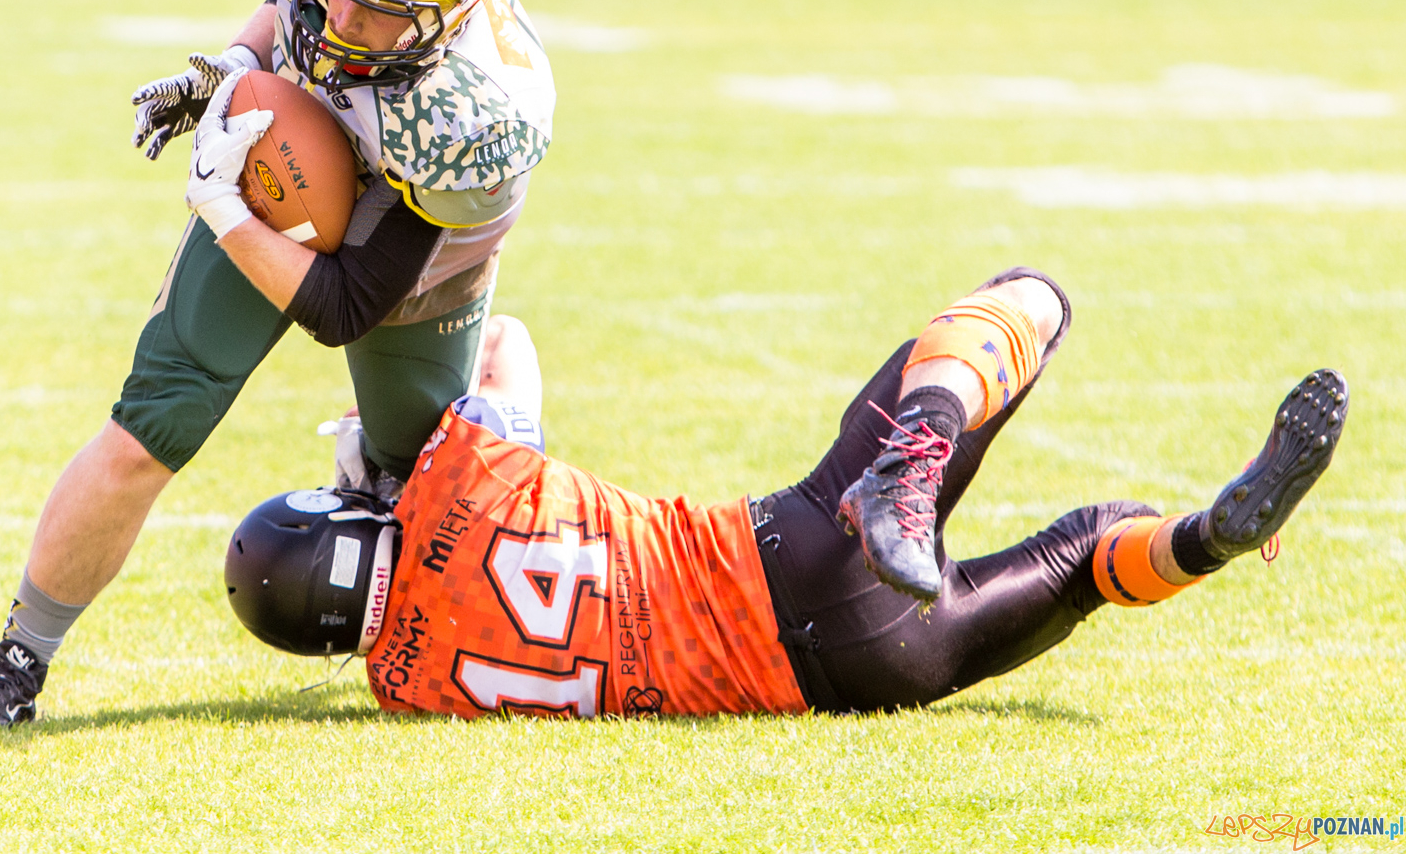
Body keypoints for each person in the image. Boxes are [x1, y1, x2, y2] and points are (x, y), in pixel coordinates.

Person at [0, 0, 556, 726]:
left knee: (423, 484)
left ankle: (493, 397)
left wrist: (224, 207)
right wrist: (229, 68)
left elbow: (345, 304)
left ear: (440, 21)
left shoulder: (476, 118)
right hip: (290, 155)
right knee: (148, 426)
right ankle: (15, 661)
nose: (337, 14)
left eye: (372, 12)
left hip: (421, 233)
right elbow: (289, 6)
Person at [224, 270, 1348, 716]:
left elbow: (406, 598)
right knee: (1029, 299)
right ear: (340, 519)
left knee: (1079, 553)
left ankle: (1207, 535)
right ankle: (910, 464)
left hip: (857, 680)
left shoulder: (405, 686)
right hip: (793, 550)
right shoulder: (459, 483)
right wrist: (386, 459)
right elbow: (504, 339)